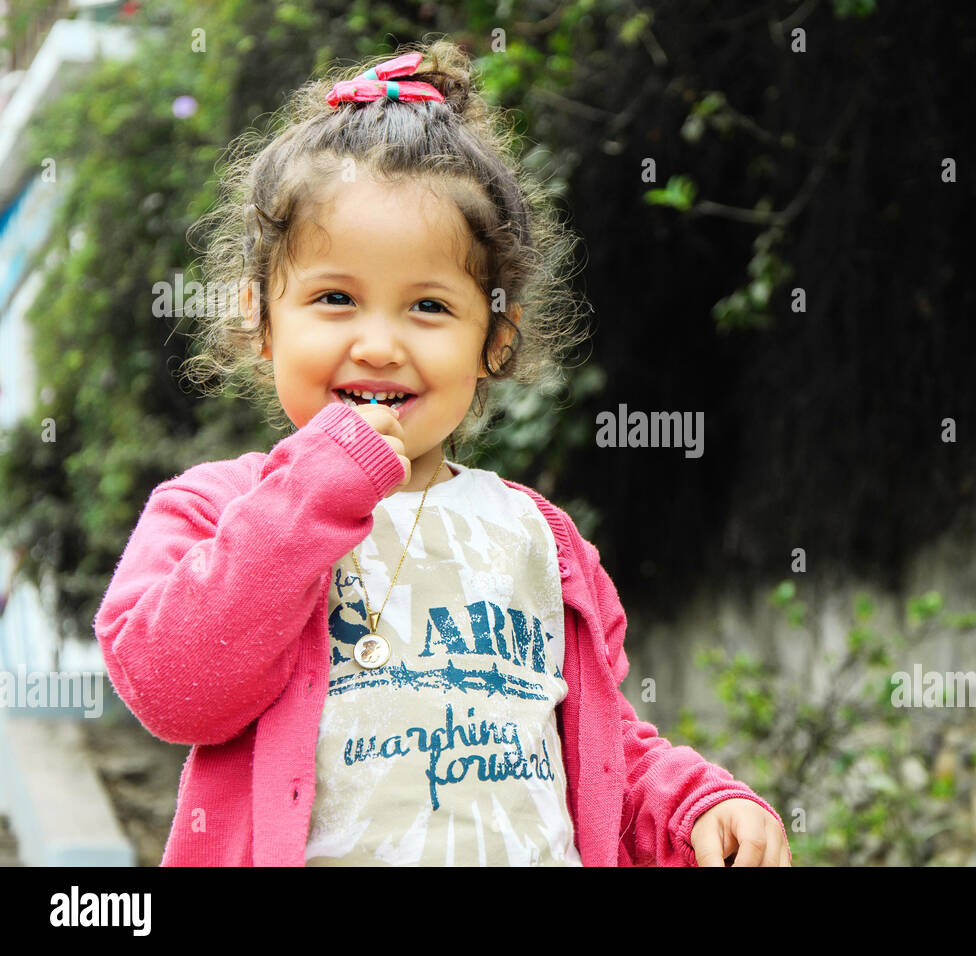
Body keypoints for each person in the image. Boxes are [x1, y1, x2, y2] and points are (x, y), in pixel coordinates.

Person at [93, 36, 790, 867]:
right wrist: (318, 487)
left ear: (494, 339)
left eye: (428, 305)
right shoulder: (216, 509)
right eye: (335, 298)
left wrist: (692, 808)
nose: (379, 345)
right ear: (260, 320)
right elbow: (173, 689)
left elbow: (601, 750)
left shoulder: (545, 541)